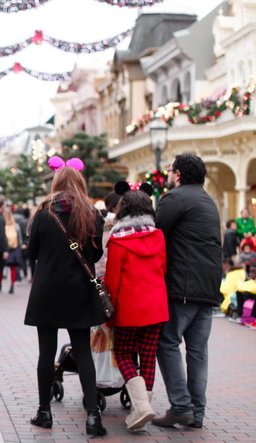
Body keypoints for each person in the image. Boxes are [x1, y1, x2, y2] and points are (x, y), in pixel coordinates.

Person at [24, 160, 107, 437]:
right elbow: (95, 256)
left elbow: (31, 253)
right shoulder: (91, 213)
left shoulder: (44, 214)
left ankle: (44, 412)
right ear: (80, 183)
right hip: (80, 290)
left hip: (47, 289)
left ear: (56, 183)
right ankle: (93, 417)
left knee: (46, 352)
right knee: (83, 351)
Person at [153, 154, 222, 429]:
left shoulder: (175, 198)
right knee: (197, 351)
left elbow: (156, 234)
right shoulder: (208, 200)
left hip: (182, 286)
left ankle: (181, 406)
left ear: (178, 174)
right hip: (207, 287)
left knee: (166, 342)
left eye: (170, 170)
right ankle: (197, 412)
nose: (168, 175)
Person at [103, 184, 169, 432]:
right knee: (148, 356)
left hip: (129, 308)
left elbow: (112, 283)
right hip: (156, 306)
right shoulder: (159, 236)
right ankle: (141, 407)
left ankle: (141, 407)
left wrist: (111, 314)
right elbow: (163, 269)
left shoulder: (117, 242)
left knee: (123, 354)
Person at [1, 208, 23, 294]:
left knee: (0, 267)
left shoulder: (2, 225)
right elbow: (20, 240)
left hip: (4, 248)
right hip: (14, 248)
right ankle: (12, 285)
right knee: (13, 268)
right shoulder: (15, 225)